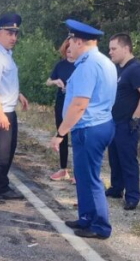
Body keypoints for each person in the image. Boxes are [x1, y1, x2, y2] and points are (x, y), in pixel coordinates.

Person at [50, 19, 117, 240]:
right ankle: (86, 218)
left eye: (70, 42)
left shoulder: (88, 65)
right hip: (100, 124)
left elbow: (79, 104)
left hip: (89, 127)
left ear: (79, 42)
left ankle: (100, 226)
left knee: (90, 177)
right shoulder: (104, 61)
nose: (68, 47)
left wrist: (60, 133)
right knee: (83, 174)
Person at [0, 13, 29, 200]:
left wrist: (18, 94)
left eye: (15, 34)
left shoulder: (6, 54)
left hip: (6, 109)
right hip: (0, 111)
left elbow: (4, 81)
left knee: (5, 149)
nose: (13, 38)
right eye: (9, 33)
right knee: (3, 151)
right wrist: (1, 114)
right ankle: (1, 188)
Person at [107, 33, 140, 210]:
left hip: (128, 123)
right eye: (110, 48)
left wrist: (135, 117)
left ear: (126, 48)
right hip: (114, 121)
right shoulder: (119, 68)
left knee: (128, 159)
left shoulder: (136, 68)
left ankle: (132, 196)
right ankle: (117, 188)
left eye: (113, 48)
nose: (110, 52)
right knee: (114, 157)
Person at [46, 40, 76, 182]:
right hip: (60, 103)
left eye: (71, 48)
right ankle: (63, 169)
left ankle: (78, 172)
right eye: (67, 49)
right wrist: (55, 81)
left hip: (75, 105)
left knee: (77, 136)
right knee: (61, 134)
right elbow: (48, 81)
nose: (69, 51)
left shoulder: (82, 65)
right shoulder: (60, 65)